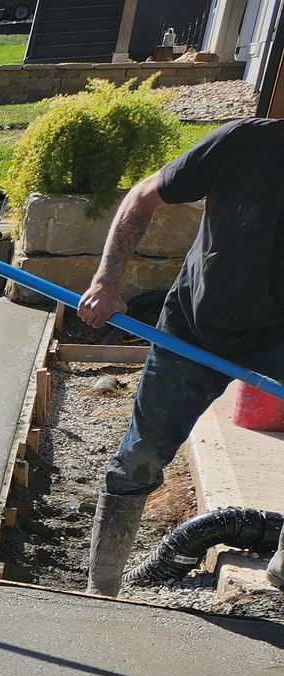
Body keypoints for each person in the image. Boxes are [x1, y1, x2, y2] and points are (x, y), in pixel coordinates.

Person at [78, 117, 284, 595]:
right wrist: (107, 281)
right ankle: (102, 584)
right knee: (142, 456)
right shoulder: (245, 143)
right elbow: (143, 196)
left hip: (278, 333)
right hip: (196, 325)